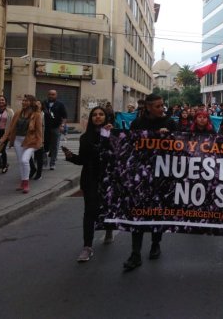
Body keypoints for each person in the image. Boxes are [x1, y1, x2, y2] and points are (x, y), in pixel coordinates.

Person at [123, 93, 177, 271]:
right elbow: (129, 144)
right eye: (158, 106)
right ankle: (135, 253)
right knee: (138, 213)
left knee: (157, 211)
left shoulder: (169, 123)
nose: (162, 109)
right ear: (148, 107)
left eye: (162, 105)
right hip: (142, 175)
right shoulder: (138, 124)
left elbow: (182, 146)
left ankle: (156, 243)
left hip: (163, 175)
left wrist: (168, 137)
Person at [63, 107, 114, 262]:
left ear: (106, 117)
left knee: (105, 207)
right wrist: (71, 157)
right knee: (90, 211)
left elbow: (114, 154)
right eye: (95, 115)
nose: (98, 117)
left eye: (101, 114)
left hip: (107, 177)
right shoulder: (85, 137)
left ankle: (108, 228)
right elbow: (83, 160)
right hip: (90, 177)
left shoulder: (113, 134)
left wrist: (108, 135)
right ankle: (87, 246)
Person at [0, 95, 43, 193]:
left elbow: (39, 131)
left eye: (26, 100)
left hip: (30, 141)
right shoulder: (18, 113)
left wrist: (40, 143)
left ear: (31, 102)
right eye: (23, 100)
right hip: (18, 140)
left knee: (24, 160)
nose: (23, 102)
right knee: (20, 162)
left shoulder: (37, 114)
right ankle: (23, 183)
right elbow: (11, 127)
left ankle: (26, 183)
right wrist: (4, 138)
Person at [42, 90, 67, 171]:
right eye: (49, 94)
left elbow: (64, 116)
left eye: (53, 94)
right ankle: (44, 161)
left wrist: (62, 125)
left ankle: (52, 163)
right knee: (43, 145)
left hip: (56, 128)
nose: (51, 96)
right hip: (44, 128)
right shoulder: (44, 104)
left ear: (56, 95)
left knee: (55, 146)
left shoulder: (60, 104)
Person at [28, 100, 46, 180]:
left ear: (42, 105)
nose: (37, 104)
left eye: (39, 103)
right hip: (30, 137)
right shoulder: (31, 114)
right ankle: (32, 168)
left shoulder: (44, 114)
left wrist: (43, 139)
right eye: (36, 103)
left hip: (40, 137)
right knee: (27, 155)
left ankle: (39, 173)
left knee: (39, 156)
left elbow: (45, 128)